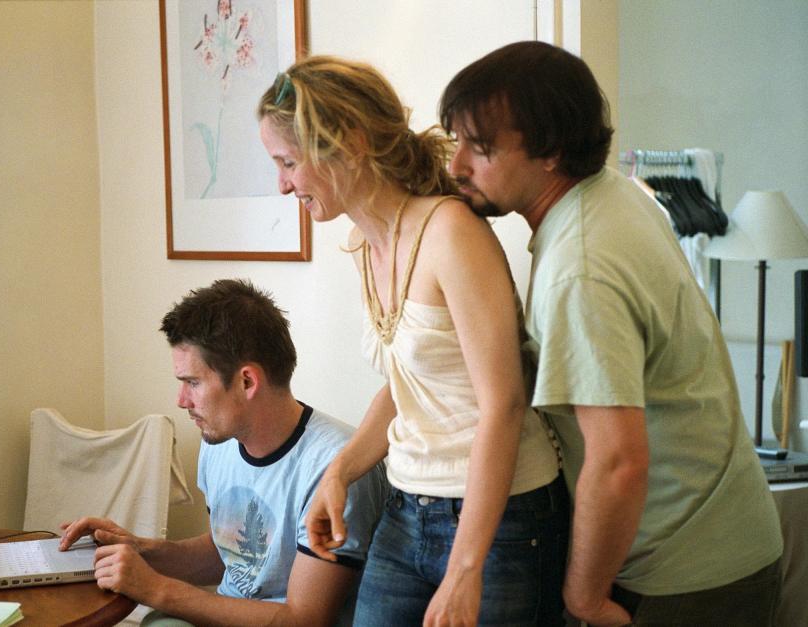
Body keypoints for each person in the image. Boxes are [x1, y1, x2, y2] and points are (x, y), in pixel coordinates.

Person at [440, 41, 784, 626]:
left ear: (549, 152)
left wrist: (583, 597)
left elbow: (619, 460)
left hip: (685, 579)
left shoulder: (580, 266)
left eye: (481, 148)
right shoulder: (613, 195)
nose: (457, 166)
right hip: (726, 545)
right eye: (456, 141)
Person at [258, 56, 567, 626]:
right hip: (407, 509)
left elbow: (503, 404)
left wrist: (465, 569)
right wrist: (340, 471)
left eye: (289, 163)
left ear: (348, 144)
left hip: (503, 519)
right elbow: (407, 385)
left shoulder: (451, 232)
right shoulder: (362, 244)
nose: (282, 184)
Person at [59, 279, 387, 626]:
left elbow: (304, 619)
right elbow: (228, 553)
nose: (181, 400)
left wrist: (156, 589)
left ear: (247, 381)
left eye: (193, 383)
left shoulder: (337, 468)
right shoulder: (220, 440)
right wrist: (139, 551)